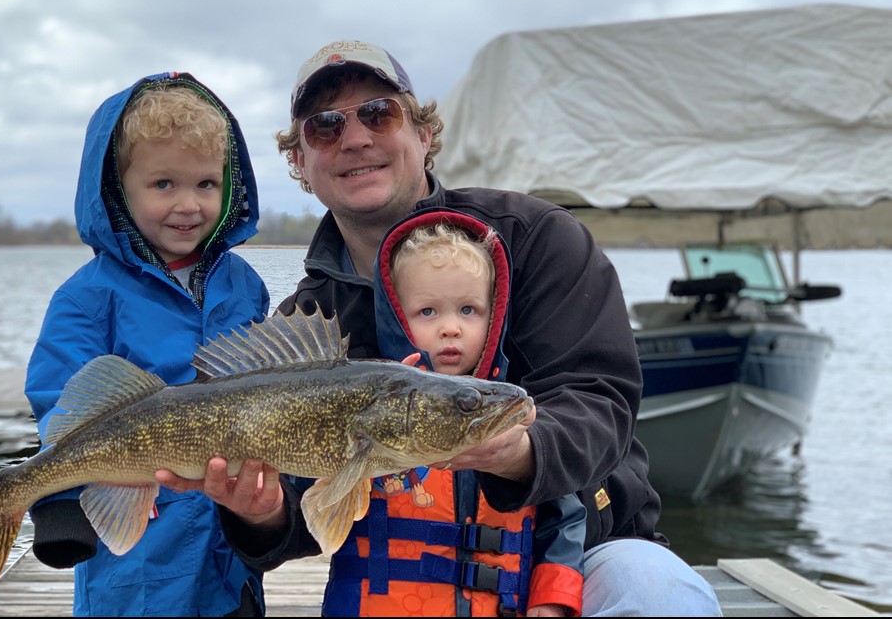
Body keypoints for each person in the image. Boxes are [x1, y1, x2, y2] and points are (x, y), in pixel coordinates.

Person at [158, 40, 722, 616]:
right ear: (299, 163)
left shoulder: (534, 239)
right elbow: (305, 515)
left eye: (380, 113)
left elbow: (598, 397)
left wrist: (522, 450)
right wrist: (260, 512)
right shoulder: (306, 325)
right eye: (325, 127)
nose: (355, 138)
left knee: (659, 597)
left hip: (585, 555)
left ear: (424, 136)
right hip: (413, 586)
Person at [25, 72, 269, 616]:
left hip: (227, 553)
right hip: (135, 549)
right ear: (119, 189)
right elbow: (60, 402)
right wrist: (63, 507)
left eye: (206, 184)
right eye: (164, 185)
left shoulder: (245, 285)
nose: (189, 204)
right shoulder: (88, 296)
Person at [339, 212, 584, 617]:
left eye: (468, 311)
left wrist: (553, 599)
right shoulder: (366, 402)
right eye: (429, 312)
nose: (451, 328)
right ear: (398, 317)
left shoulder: (507, 418)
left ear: (495, 314)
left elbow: (565, 518)